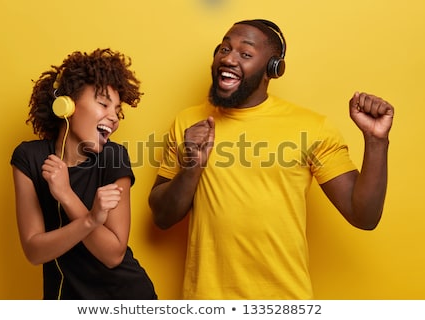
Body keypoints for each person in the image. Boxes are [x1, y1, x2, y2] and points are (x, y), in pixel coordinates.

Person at [148, 19, 394, 299]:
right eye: (224, 48)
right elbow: (162, 216)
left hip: (284, 300)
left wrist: (377, 141)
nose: (228, 58)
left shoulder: (312, 128)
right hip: (207, 301)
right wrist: (192, 167)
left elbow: (364, 216)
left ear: (272, 69)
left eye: (245, 53)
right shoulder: (188, 122)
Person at [11, 48, 157, 299]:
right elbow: (34, 252)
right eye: (103, 104)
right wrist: (91, 219)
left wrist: (67, 196)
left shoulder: (114, 157)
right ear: (66, 105)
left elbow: (113, 255)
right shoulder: (29, 159)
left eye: (117, 110)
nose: (113, 117)